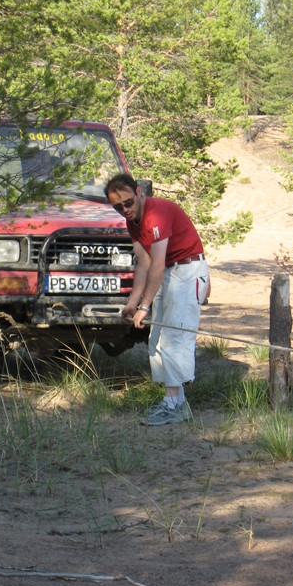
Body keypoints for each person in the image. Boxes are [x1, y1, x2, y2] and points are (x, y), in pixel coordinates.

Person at [105, 173, 210, 426]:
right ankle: (175, 402)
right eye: (117, 207)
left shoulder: (157, 213)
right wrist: (133, 301)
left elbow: (157, 263)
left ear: (139, 192)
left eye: (128, 203)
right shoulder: (133, 222)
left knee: (176, 336)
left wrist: (145, 305)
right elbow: (144, 263)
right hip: (168, 272)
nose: (124, 210)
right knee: (158, 339)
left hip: (186, 271)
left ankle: (174, 404)